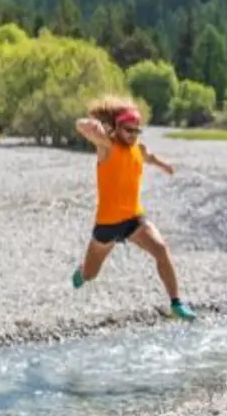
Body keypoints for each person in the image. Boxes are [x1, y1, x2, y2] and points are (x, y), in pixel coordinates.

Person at [69, 96, 196, 321]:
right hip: (107, 225)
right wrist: (97, 126)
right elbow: (80, 125)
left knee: (161, 249)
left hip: (133, 219)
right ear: (117, 127)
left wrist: (163, 165)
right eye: (128, 130)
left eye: (137, 131)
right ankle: (82, 271)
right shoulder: (107, 146)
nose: (133, 135)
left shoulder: (138, 147)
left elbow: (149, 156)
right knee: (90, 274)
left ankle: (176, 303)